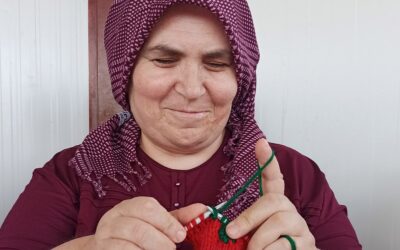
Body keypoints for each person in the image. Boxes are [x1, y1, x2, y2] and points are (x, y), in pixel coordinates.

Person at [0, 1, 362, 249]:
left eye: (217, 64)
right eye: (164, 59)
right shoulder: (73, 173)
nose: (191, 89)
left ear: (242, 79)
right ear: (125, 71)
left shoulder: (295, 174)